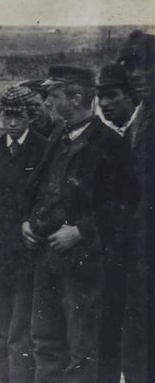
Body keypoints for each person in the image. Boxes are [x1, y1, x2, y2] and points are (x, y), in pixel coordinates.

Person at [22, 65, 137, 383]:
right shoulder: (57, 135)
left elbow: (122, 206)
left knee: (82, 348)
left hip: (84, 262)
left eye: (54, 95)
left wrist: (80, 230)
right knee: (45, 343)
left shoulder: (110, 144)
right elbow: (38, 186)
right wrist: (27, 222)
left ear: (75, 98)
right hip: (47, 256)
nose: (48, 103)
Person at [0, 86, 47, 383]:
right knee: (1, 314)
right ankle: (2, 374)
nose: (11, 122)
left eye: (18, 116)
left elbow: (46, 197)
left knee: (23, 317)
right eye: (6, 115)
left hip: (28, 247)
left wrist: (30, 224)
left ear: (30, 117)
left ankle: (21, 377)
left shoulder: (44, 148)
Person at [95, 63, 153, 383]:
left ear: (131, 97)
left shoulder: (145, 130)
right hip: (122, 255)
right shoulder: (126, 132)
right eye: (100, 97)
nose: (105, 104)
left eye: (112, 96)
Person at [116, 31, 155, 383]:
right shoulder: (140, 116)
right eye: (132, 68)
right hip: (138, 244)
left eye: (148, 66)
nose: (139, 75)